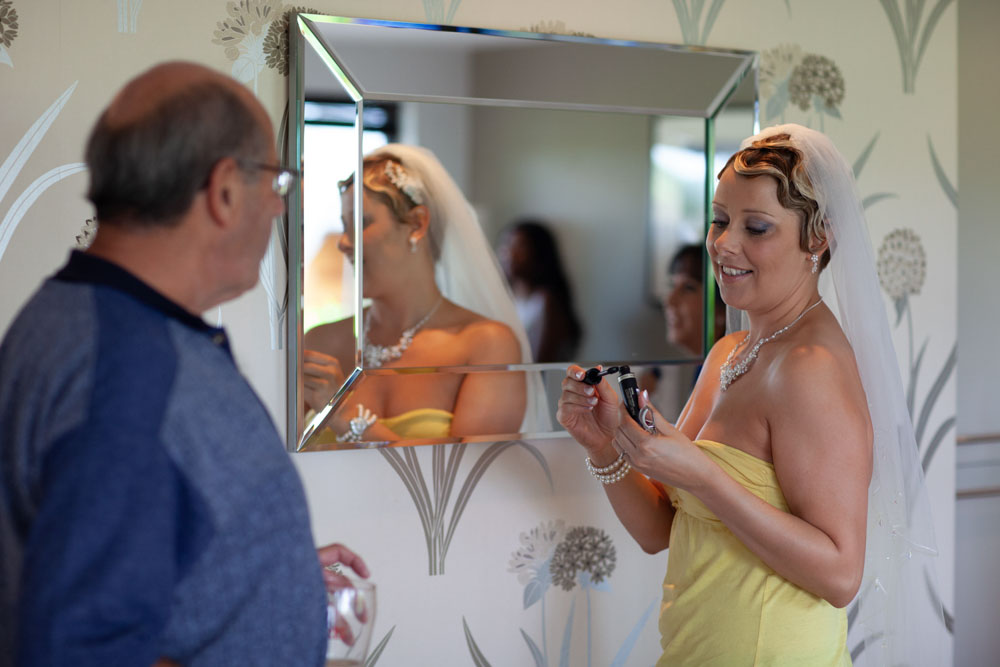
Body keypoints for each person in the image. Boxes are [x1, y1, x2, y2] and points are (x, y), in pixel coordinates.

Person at [0, 62, 368, 666]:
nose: (280, 210)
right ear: (224, 190)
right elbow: (79, 649)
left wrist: (262, 575)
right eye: (277, 184)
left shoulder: (76, 317)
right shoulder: (132, 373)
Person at [557, 124, 946, 665]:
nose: (723, 244)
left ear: (820, 236)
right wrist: (604, 445)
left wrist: (703, 474)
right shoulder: (729, 352)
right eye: (719, 221)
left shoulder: (812, 369)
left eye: (756, 227)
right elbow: (660, 530)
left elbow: (839, 576)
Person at [303, 144, 549, 445]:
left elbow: (471, 477)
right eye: (344, 226)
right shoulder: (320, 343)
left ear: (417, 224)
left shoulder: (486, 346)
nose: (343, 243)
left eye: (360, 223)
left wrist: (342, 417)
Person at [641, 243, 726, 420]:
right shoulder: (703, 367)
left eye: (688, 288)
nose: (669, 300)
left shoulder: (722, 378)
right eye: (672, 285)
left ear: (722, 308)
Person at [496, 219, 583, 362]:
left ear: (538, 253)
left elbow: (540, 362)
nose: (510, 253)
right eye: (507, 244)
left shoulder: (546, 301)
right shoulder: (507, 298)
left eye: (520, 246)